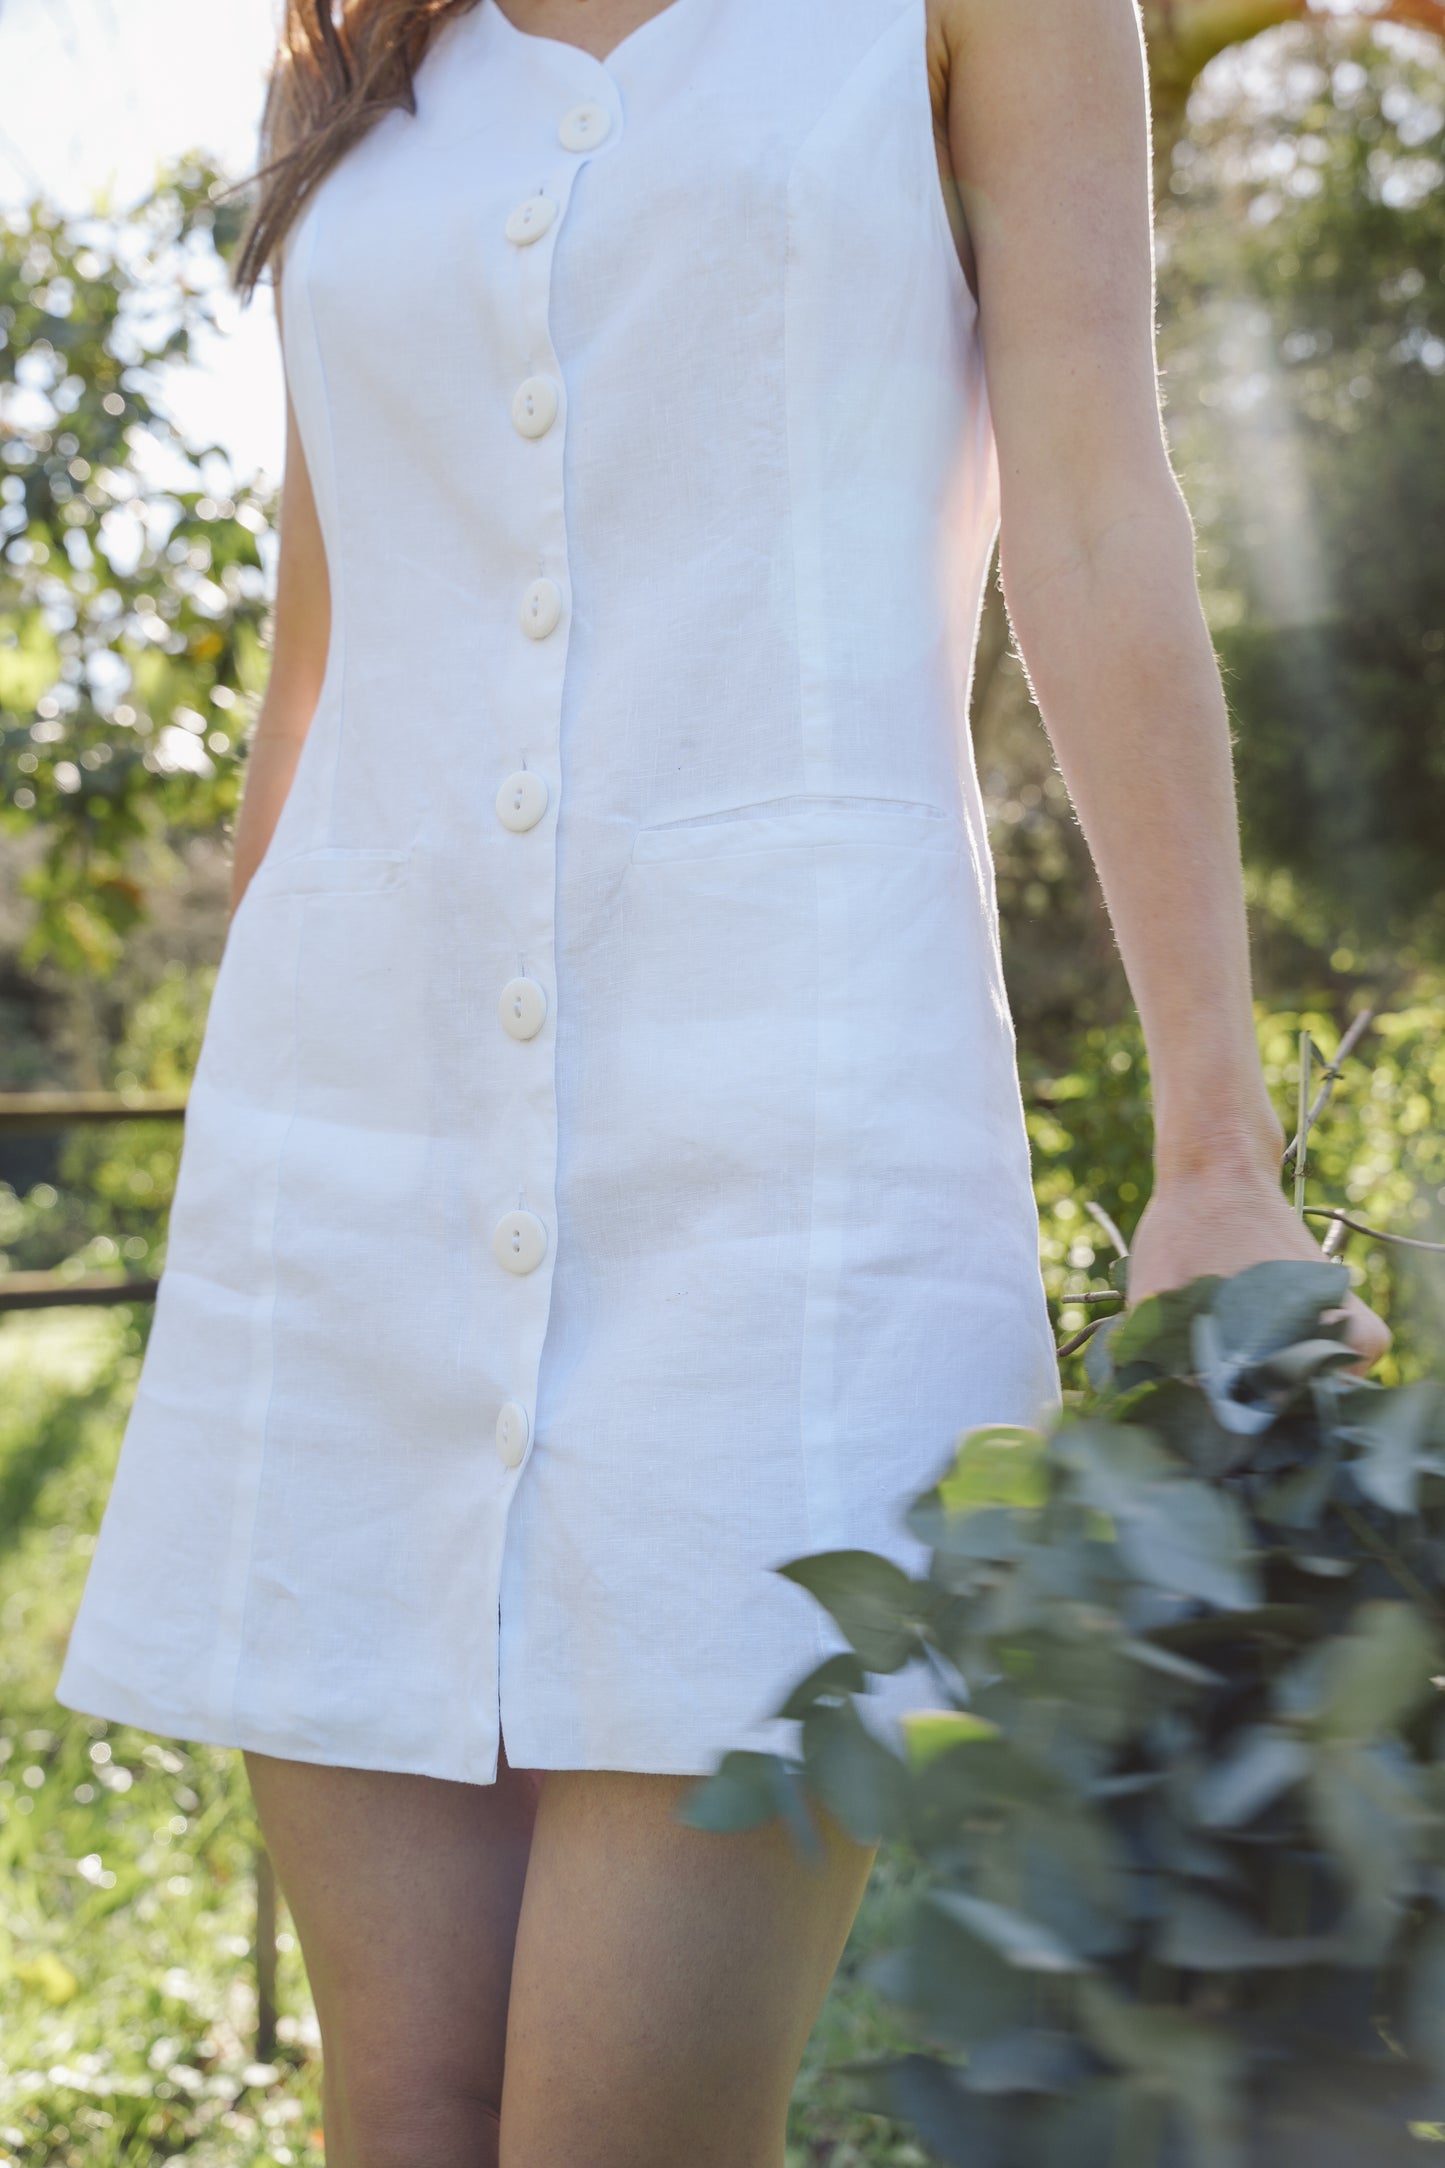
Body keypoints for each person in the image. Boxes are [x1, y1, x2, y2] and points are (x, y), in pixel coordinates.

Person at [56, 0, 1391, 2161]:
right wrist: (258, 1174)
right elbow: (323, 649)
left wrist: (1217, 1150)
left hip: (788, 1160)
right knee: (402, 2117)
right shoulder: (353, 47)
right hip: (352, 1160)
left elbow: (1091, 500)